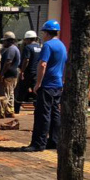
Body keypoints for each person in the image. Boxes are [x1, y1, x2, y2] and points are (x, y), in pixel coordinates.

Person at [23, 20, 66, 152]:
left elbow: (43, 64)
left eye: (43, 33)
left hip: (47, 85)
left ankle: (38, 143)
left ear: (47, 32)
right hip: (57, 85)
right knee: (55, 113)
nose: (43, 35)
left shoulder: (47, 45)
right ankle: (54, 140)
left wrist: (38, 83)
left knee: (43, 114)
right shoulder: (62, 45)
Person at [16, 30, 41, 114]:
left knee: (21, 91)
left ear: (27, 39)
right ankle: (38, 109)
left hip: (28, 73)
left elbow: (26, 60)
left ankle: (16, 109)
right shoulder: (40, 47)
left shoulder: (28, 47)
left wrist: (22, 71)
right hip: (36, 73)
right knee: (35, 91)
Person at [0, 31, 21, 118]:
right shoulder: (15, 48)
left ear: (9, 41)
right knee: (11, 94)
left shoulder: (11, 49)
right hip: (13, 74)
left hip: (9, 75)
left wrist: (2, 74)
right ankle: (9, 111)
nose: (3, 43)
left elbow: (8, 62)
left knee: (6, 95)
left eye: (4, 41)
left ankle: (3, 112)